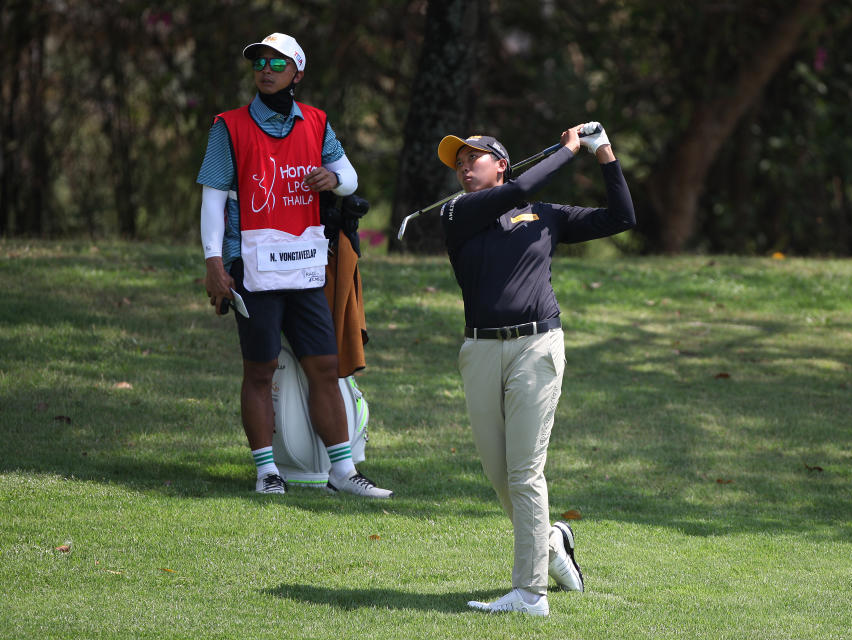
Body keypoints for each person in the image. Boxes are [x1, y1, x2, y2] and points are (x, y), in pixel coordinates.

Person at [435, 122, 635, 615]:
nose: (463, 167)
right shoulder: (456, 212)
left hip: (536, 347)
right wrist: (569, 150)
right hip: (479, 351)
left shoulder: (546, 217)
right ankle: (554, 544)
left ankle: (530, 593)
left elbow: (622, 217)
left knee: (525, 474)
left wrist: (604, 154)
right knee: (501, 476)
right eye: (459, 162)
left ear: (500, 163)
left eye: (474, 158)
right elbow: (521, 187)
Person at [197, 32, 391, 498]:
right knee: (260, 370)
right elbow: (213, 197)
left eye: (277, 62)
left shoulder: (318, 123)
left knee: (324, 365)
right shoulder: (230, 125)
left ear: (297, 73)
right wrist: (213, 262)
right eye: (259, 61)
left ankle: (342, 472)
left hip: (305, 266)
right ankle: (266, 471)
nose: (266, 68)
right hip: (251, 265)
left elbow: (349, 175)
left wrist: (334, 179)